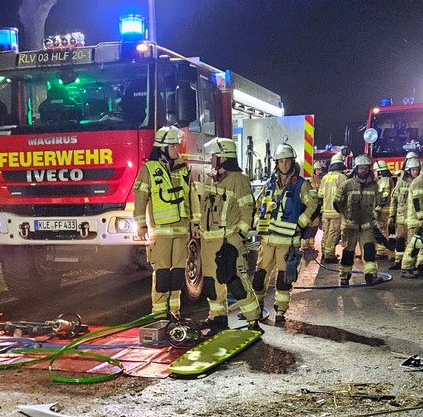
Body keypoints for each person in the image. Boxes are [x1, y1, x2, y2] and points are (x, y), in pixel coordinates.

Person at [193, 138, 262, 331]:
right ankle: (217, 317)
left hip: (228, 240)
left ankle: (252, 319)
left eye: (215, 155)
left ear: (224, 157)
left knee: (235, 282)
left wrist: (238, 235)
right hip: (209, 240)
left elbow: (248, 209)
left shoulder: (239, 180)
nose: (212, 158)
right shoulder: (211, 178)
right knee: (211, 283)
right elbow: (203, 206)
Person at [253, 143, 316, 326]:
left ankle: (280, 311)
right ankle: (256, 307)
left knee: (283, 279)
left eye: (287, 161)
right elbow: (259, 206)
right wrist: (259, 222)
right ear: (276, 164)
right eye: (281, 162)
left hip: (288, 242)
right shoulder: (270, 183)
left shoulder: (301, 185)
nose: (284, 165)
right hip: (268, 241)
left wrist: (301, 223)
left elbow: (313, 204)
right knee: (259, 276)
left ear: (292, 163)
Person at [133, 127, 192, 318]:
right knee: (162, 276)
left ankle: (175, 314)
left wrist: (194, 223)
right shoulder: (149, 170)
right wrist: (141, 224)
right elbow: (140, 198)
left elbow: (190, 197)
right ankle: (159, 316)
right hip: (161, 233)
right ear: (163, 148)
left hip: (181, 231)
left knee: (177, 278)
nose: (177, 149)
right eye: (174, 146)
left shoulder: (182, 168)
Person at [338, 154, 382, 287]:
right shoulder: (347, 185)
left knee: (369, 251)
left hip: (367, 226)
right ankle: (344, 277)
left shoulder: (374, 186)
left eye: (365, 167)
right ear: (356, 169)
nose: (363, 170)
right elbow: (337, 203)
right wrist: (346, 214)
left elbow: (379, 203)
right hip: (350, 226)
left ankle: (370, 276)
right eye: (361, 167)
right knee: (348, 252)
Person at [400, 156, 423, 277]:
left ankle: (422, 266)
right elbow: (417, 202)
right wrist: (422, 218)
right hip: (417, 220)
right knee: (413, 245)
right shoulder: (419, 182)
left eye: (416, 169)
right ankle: (406, 268)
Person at [316, 151, 348, 264]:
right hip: (336, 212)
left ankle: (324, 252)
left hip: (325, 211)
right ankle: (329, 255)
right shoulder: (342, 178)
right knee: (333, 233)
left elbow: (320, 195)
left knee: (326, 233)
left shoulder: (325, 178)